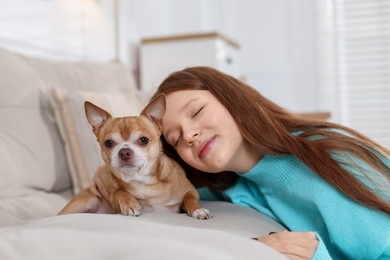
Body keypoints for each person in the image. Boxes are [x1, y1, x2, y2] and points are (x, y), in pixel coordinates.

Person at [91, 66, 390, 259]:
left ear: (231, 99)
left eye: (196, 112)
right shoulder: (229, 186)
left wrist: (316, 256)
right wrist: (113, 180)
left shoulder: (331, 157)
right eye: (176, 137)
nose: (190, 134)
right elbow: (171, 188)